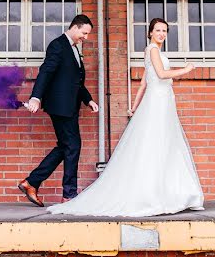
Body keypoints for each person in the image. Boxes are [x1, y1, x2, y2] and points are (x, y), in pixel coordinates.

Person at [48, 18, 204, 217]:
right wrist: (186, 69)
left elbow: (143, 84)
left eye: (164, 31)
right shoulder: (153, 50)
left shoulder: (153, 52)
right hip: (158, 102)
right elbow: (162, 74)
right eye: (158, 30)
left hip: (161, 102)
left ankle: (169, 193)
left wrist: (134, 107)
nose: (161, 34)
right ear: (150, 33)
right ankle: (156, 195)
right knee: (157, 145)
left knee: (165, 145)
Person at [18, 14, 99, 207]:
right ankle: (68, 195)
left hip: (69, 106)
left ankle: (32, 182)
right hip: (60, 107)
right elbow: (46, 71)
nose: (85, 38)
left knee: (66, 147)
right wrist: (35, 97)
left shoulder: (73, 49)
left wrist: (88, 100)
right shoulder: (58, 45)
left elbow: (75, 81)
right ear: (75, 27)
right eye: (84, 33)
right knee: (73, 146)